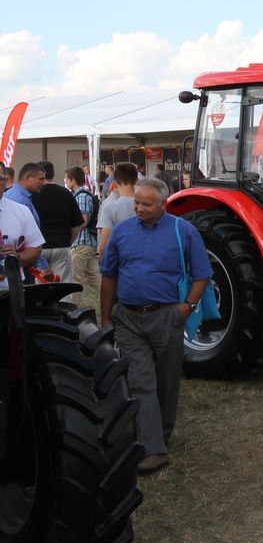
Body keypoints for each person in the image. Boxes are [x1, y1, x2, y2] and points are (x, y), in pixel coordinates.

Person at [100, 178, 212, 475]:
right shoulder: (122, 232)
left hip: (166, 317)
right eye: (137, 202)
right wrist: (106, 318)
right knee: (141, 382)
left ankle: (161, 433)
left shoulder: (182, 231)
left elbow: (202, 274)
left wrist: (185, 308)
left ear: (163, 204)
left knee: (167, 380)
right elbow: (108, 275)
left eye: (146, 204)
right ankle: (153, 449)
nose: (138, 208)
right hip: (129, 318)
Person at [31, 160, 83, 284]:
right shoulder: (66, 194)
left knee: (40, 288)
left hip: (38, 248)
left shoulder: (32, 195)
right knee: (62, 287)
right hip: (61, 244)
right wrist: (67, 242)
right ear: (53, 175)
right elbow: (76, 226)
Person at [0, 162, 45, 284]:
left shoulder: (21, 211)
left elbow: (35, 247)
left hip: (12, 289)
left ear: (5, 181)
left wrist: (16, 257)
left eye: (0, 179)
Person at [65, 166, 100, 308]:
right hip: (87, 243)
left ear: (73, 180)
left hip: (82, 242)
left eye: (67, 179)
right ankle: (113, 297)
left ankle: (73, 308)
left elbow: (83, 221)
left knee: (76, 278)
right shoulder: (81, 195)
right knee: (92, 277)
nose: (66, 181)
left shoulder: (82, 197)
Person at [97, 162, 138, 258]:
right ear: (136, 180)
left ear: (115, 182)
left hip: (120, 263)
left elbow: (104, 245)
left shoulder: (108, 207)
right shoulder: (147, 205)